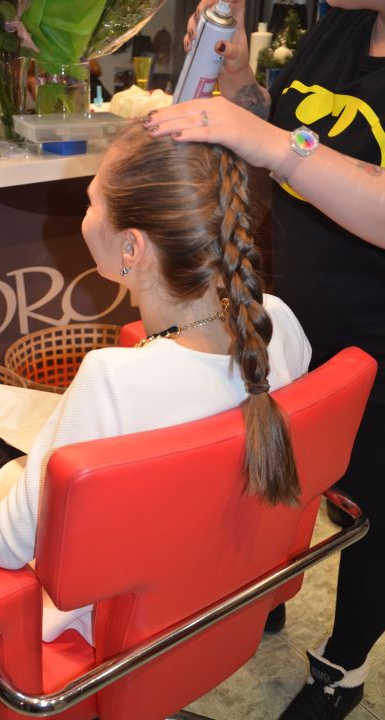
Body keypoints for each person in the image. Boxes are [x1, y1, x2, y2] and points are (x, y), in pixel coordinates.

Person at [0, 123, 311, 647]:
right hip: (220, 575)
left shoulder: (112, 381)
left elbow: (7, 539)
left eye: (90, 203)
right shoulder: (278, 321)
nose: (85, 216)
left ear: (131, 246)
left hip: (116, 611)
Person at [141, 0, 385, 718]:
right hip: (298, 317)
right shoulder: (342, 24)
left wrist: (277, 148)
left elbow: (287, 148)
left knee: (373, 513)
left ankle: (344, 664)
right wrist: (240, 80)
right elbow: (284, 122)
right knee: (284, 475)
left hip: (377, 340)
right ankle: (267, 592)